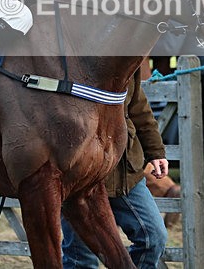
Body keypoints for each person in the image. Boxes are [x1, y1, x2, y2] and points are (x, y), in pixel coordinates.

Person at [61, 67, 169, 268]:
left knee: (154, 237)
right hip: (78, 177)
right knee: (81, 258)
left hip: (125, 172)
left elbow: (139, 108)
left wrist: (156, 152)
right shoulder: (68, 54)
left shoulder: (127, 57)